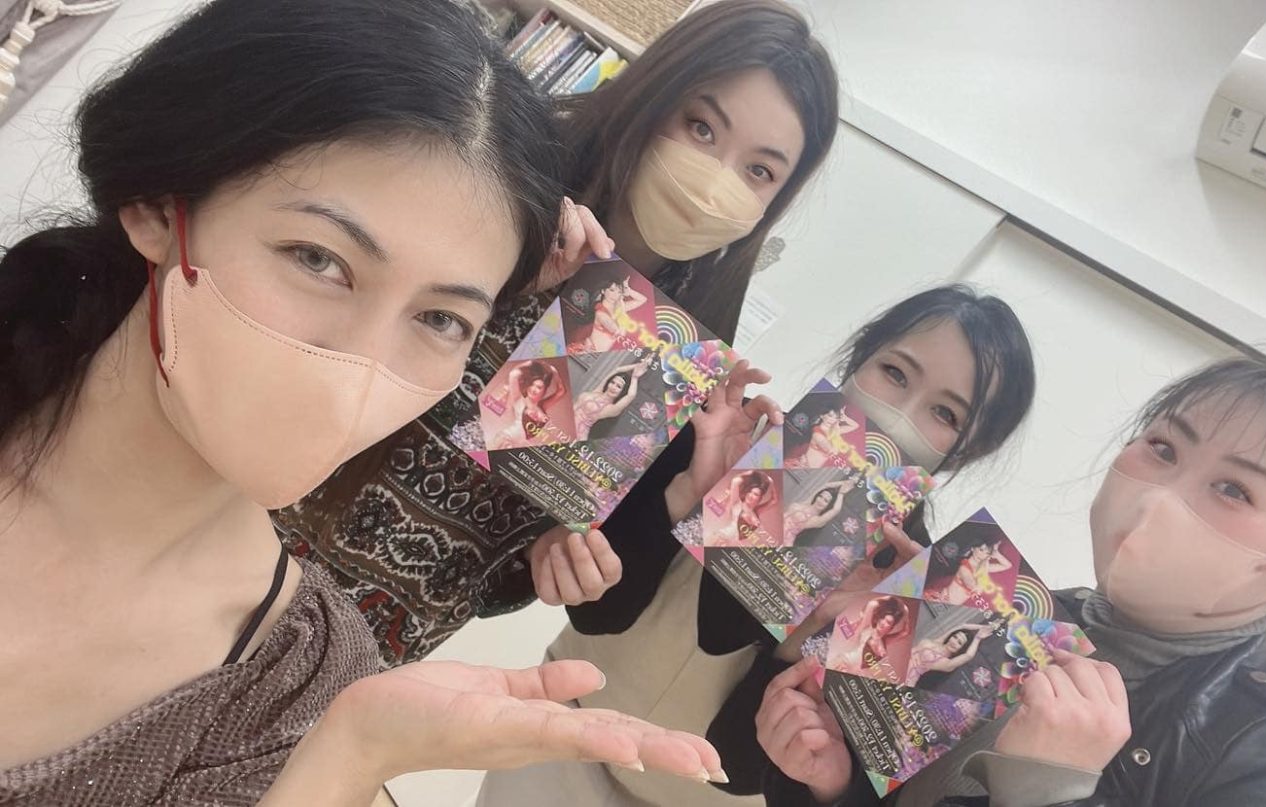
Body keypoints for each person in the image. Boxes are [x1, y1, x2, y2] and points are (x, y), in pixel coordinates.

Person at [0, 1, 720, 803]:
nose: (360, 363)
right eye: (318, 259)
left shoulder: (295, 679)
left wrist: (346, 758)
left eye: (440, 318)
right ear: (158, 206)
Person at [273, 0, 841, 666]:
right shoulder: (499, 182)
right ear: (656, 94)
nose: (715, 179)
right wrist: (501, 281)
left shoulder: (681, 357)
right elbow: (310, 341)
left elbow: (512, 571)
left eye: (759, 171)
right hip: (241, 540)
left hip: (362, 655)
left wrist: (547, 556)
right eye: (701, 127)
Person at [476, 285, 1037, 806]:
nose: (900, 415)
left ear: (968, 451)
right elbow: (595, 614)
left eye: (946, 414)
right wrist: (684, 495)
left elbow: (745, 769)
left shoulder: (919, 598)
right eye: (895, 372)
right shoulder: (726, 433)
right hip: (561, 728)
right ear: (859, 359)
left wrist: (804, 641)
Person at [757, 357, 1266, 806]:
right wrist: (832, 782)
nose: (1160, 498)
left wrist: (1050, 790)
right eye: (1164, 449)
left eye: (1234, 490)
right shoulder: (1023, 615)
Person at [831, 596, 913, 682]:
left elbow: (905, 632)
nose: (883, 622)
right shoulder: (867, 628)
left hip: (857, 674)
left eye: (888, 622)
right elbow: (871, 604)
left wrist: (905, 612)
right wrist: (888, 598)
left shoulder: (885, 640)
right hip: (845, 664)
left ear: (891, 628)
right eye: (882, 618)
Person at [925, 525, 1013, 606]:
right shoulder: (964, 567)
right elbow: (975, 588)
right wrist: (986, 561)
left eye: (987, 552)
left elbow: (1007, 566)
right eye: (981, 549)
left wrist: (996, 554)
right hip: (937, 601)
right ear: (973, 548)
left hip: (946, 604)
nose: (982, 554)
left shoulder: (981, 568)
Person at [490, 360, 568, 449]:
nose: (533, 389)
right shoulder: (519, 398)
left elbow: (561, 391)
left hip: (519, 445)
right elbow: (513, 374)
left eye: (539, 387)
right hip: (506, 439)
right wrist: (530, 363)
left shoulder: (542, 406)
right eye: (532, 384)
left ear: (544, 390)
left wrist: (555, 372)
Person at [904, 621, 999, 688]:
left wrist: (978, 638)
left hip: (905, 678)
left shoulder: (946, 663)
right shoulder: (937, 641)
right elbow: (962, 625)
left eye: (959, 643)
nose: (954, 642)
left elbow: (968, 655)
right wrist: (983, 627)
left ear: (961, 649)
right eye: (955, 637)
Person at [574, 361, 649, 439]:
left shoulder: (611, 409)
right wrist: (636, 366)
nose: (613, 387)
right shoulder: (597, 391)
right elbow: (617, 370)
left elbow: (631, 395)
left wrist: (635, 377)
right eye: (612, 382)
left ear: (623, 391)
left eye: (618, 386)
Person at [711, 470, 779, 547]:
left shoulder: (756, 511)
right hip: (724, 539)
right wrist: (751, 473)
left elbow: (774, 500)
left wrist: (771, 482)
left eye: (755, 494)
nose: (750, 495)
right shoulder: (737, 503)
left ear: (760, 499)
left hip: (739, 546)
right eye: (750, 491)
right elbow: (735, 481)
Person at [784, 477, 858, 546]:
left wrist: (841, 493)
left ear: (828, 505)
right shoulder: (807, 503)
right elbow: (826, 485)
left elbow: (836, 509)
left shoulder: (816, 520)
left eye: (825, 501)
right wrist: (846, 482)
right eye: (821, 496)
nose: (821, 501)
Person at [786, 403, 861, 468]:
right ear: (822, 415)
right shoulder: (817, 433)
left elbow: (855, 426)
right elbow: (832, 451)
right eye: (830, 416)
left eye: (836, 417)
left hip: (810, 468)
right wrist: (836, 429)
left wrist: (845, 418)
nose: (832, 420)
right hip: (802, 467)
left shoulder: (833, 431)